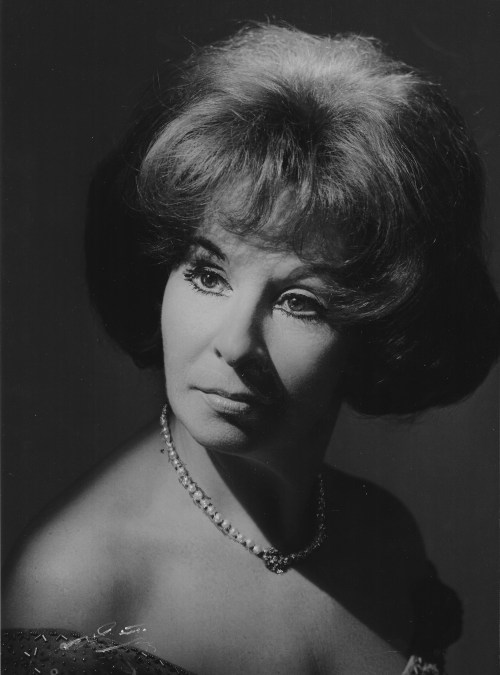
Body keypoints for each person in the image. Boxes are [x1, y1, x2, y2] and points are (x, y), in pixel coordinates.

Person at [2, 22, 499, 675]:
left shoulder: (386, 534)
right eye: (208, 274)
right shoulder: (79, 586)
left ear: (378, 329)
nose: (235, 343)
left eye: (300, 302)